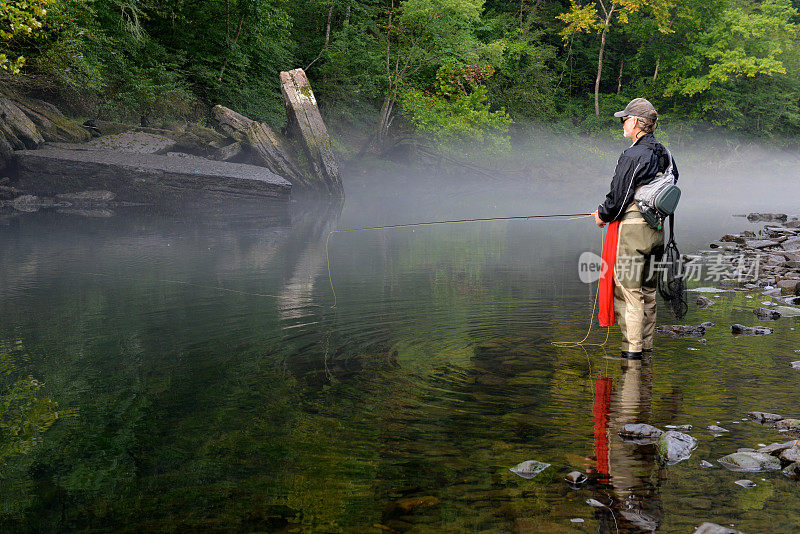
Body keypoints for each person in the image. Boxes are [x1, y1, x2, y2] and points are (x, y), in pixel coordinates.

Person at [592, 98, 678, 360]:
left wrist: (601, 214)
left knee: (629, 292)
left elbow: (619, 196)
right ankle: (646, 349)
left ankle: (632, 353)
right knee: (648, 292)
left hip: (633, 231)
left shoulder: (633, 154)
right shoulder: (665, 153)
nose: (622, 123)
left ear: (637, 123)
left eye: (624, 119)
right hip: (657, 231)